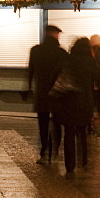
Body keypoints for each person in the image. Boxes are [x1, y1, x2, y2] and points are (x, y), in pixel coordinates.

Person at [52, 37, 98, 175]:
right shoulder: (90, 62)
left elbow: (57, 76)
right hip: (84, 101)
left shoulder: (68, 59)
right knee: (82, 131)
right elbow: (96, 80)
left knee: (69, 133)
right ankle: (83, 160)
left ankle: (69, 164)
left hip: (69, 102)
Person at [28, 25, 67, 163]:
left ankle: (44, 151)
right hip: (58, 93)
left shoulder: (36, 51)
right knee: (57, 123)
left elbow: (30, 71)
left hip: (42, 92)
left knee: (43, 124)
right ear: (55, 35)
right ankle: (55, 150)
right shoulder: (61, 53)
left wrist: (28, 88)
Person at [90, 34, 100, 124]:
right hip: (99, 85)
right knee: (98, 105)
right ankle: (97, 121)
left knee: (91, 104)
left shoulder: (91, 55)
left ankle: (92, 121)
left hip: (91, 84)